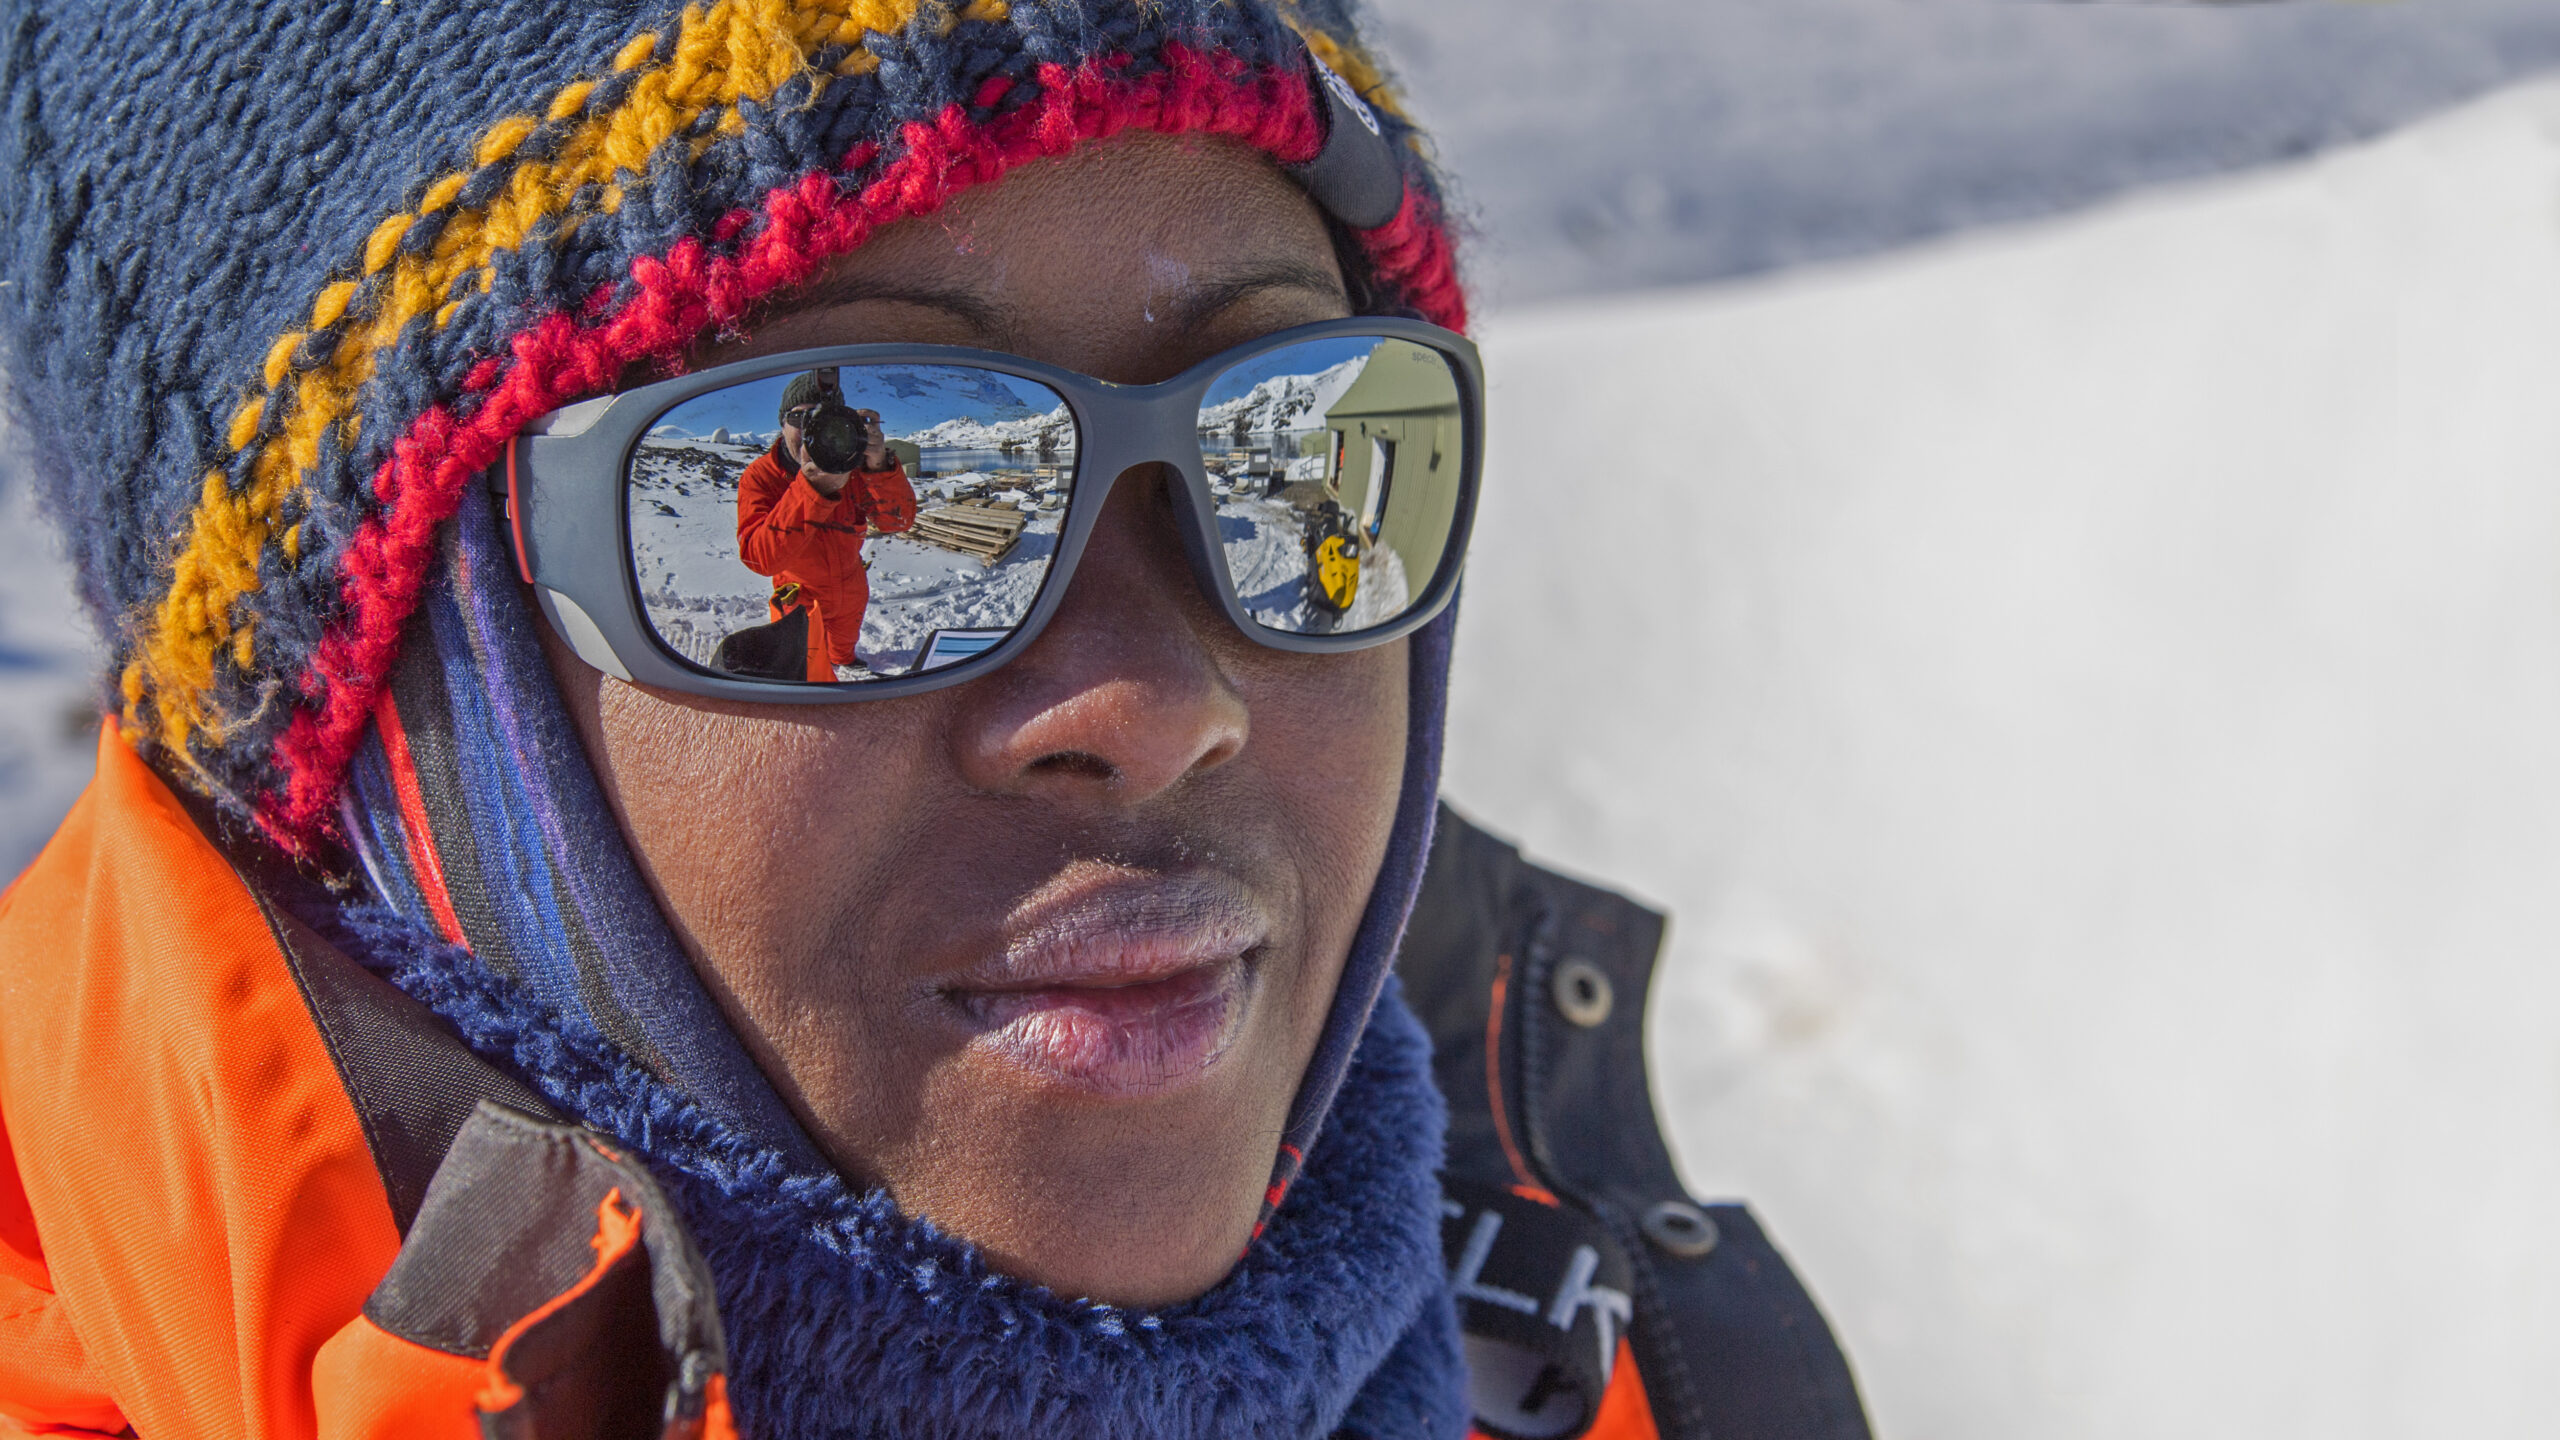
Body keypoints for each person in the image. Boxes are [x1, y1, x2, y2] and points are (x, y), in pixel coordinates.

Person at [0, 3, 1869, 1437]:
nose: (1156, 703)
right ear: (373, 709)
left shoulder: (1620, 1374)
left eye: (1294, 442)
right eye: (860, 446)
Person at [731, 372, 918, 680]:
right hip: (799, 597)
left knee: (845, 641)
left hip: (851, 585)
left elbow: (897, 521)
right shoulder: (761, 476)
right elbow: (759, 558)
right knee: (806, 666)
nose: (809, 430)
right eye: (799, 418)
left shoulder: (854, 465)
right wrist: (812, 489)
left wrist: (878, 465)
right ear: (782, 424)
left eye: (821, 418)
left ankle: (843, 659)